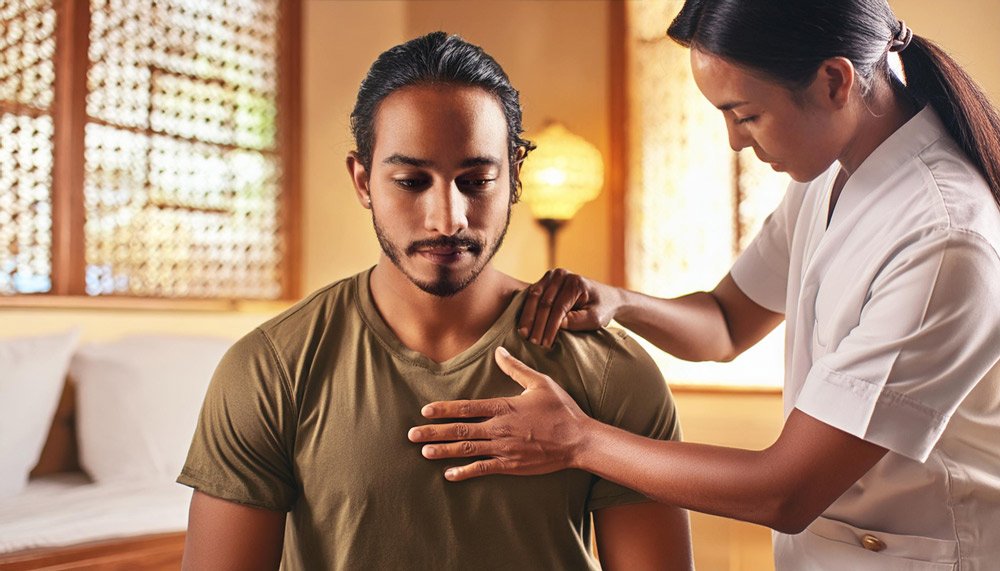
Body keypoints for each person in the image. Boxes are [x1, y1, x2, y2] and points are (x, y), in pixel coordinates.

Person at [407, 2, 1000, 569]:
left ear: (834, 81)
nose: (735, 141)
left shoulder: (946, 238)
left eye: (745, 114)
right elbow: (723, 323)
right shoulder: (828, 177)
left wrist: (576, 441)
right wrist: (618, 302)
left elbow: (785, 493)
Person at [177, 31, 693, 570]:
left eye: (476, 180)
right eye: (410, 180)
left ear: (514, 177)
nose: (448, 219)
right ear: (363, 181)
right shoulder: (270, 370)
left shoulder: (612, 370)